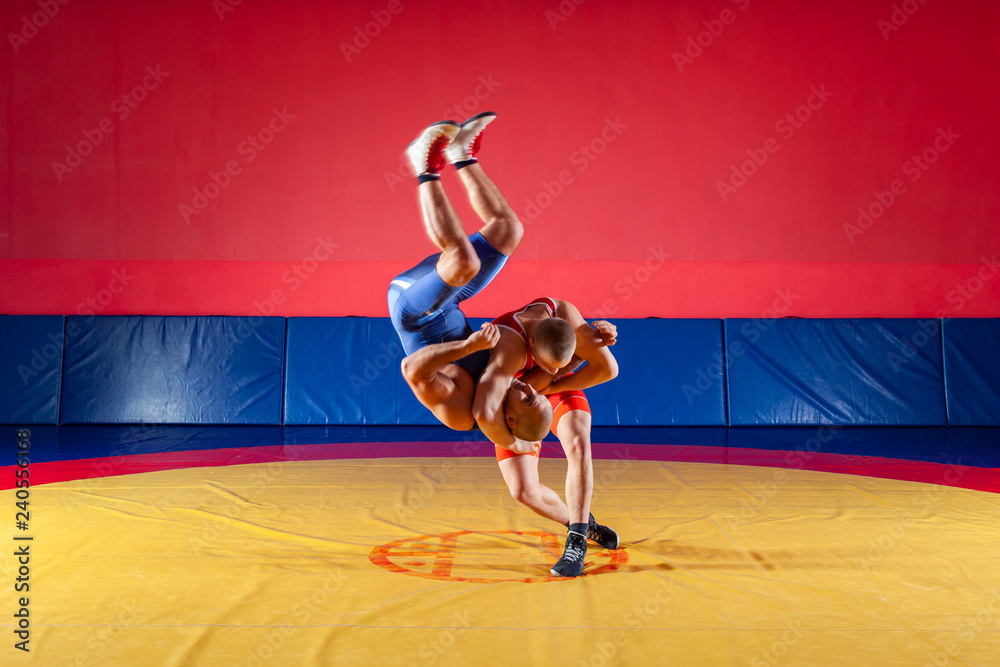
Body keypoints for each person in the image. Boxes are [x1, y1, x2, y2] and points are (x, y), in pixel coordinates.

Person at [388, 112, 548, 449]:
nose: (530, 389)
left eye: (530, 399)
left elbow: (411, 370)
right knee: (509, 230)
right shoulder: (512, 378)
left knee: (464, 262)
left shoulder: (461, 415)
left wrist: (467, 347)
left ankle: (424, 167)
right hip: (449, 299)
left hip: (413, 313)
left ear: (510, 419)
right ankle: (463, 154)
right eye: (539, 395)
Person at [479, 309, 621, 577]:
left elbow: (609, 368)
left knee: (578, 441)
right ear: (531, 344)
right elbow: (486, 410)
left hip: (552, 388)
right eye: (550, 363)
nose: (556, 368)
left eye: (561, 363)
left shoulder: (565, 315)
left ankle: (576, 542)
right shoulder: (508, 346)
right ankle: (580, 522)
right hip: (521, 399)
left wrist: (600, 340)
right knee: (523, 490)